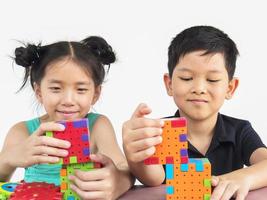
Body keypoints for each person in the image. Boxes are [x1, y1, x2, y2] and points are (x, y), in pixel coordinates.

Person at [122, 25, 267, 200]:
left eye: (212, 79)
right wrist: (136, 154)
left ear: (230, 87)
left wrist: (242, 177)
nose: (199, 89)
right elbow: (155, 179)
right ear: (169, 84)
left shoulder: (239, 130)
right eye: (187, 78)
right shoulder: (158, 132)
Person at [0, 36, 134, 199]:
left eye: (81, 89)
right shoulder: (22, 131)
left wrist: (118, 181)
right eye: (56, 88)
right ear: (39, 92)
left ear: (96, 94)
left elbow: (124, 167)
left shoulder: (98, 125)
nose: (68, 101)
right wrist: (9, 158)